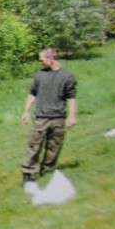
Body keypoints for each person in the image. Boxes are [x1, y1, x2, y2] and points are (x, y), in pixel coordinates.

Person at [20, 48, 78, 184]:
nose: (40, 63)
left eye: (42, 60)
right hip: (41, 118)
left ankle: (46, 171)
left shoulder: (67, 76)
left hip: (58, 118)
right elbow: (32, 93)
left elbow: (71, 97)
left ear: (51, 59)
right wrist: (26, 111)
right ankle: (27, 174)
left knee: (54, 147)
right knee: (34, 145)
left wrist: (72, 116)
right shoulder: (40, 75)